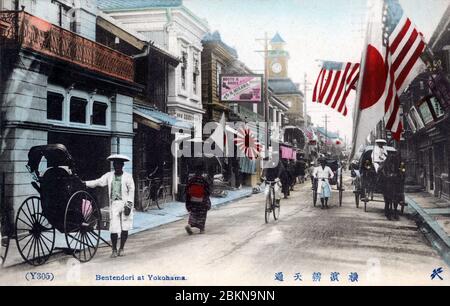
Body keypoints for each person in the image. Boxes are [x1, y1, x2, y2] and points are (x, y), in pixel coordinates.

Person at [85, 154, 135, 258]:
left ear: (122, 165)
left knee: (125, 227)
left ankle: (121, 248)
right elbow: (98, 182)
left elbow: (131, 190)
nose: (117, 167)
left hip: (125, 203)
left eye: (119, 165)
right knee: (113, 228)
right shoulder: (109, 176)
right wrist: (85, 183)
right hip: (114, 204)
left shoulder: (128, 177)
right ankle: (114, 250)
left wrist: (129, 205)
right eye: (115, 165)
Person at [185, 162, 211, 235]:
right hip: (201, 200)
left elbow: (187, 191)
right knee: (202, 215)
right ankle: (201, 229)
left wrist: (188, 203)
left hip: (192, 200)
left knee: (193, 213)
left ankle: (189, 225)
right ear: (202, 172)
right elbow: (208, 191)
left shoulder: (191, 180)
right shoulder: (204, 180)